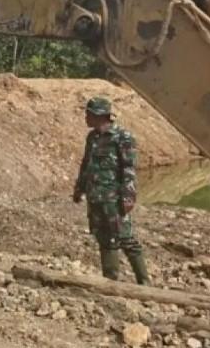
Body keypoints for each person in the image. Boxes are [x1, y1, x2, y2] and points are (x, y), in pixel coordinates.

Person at [73, 97, 149, 285]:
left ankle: (145, 281)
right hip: (96, 197)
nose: (85, 117)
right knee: (104, 238)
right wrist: (79, 188)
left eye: (88, 114)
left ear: (99, 115)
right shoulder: (92, 138)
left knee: (125, 238)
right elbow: (86, 165)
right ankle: (110, 281)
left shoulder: (123, 137)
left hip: (114, 200)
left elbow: (129, 169)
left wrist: (129, 196)